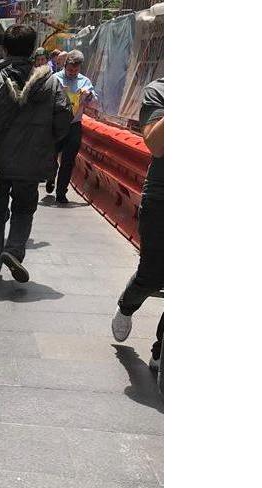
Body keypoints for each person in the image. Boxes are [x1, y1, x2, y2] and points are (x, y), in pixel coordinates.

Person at [0, 24, 72, 282]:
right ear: (33, 50)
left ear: (4, 48)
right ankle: (13, 249)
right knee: (24, 207)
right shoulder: (51, 83)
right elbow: (64, 118)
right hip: (33, 160)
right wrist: (45, 141)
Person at [111, 78, 164, 375]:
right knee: (152, 276)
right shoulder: (159, 91)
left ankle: (160, 350)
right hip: (163, 198)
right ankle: (127, 306)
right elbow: (156, 145)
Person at [48, 49, 98, 204]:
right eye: (70, 69)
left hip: (74, 125)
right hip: (55, 125)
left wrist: (88, 96)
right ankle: (50, 177)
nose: (72, 73)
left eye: (75, 70)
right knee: (50, 157)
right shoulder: (55, 79)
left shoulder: (84, 81)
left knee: (68, 161)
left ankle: (61, 192)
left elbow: (95, 102)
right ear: (65, 65)